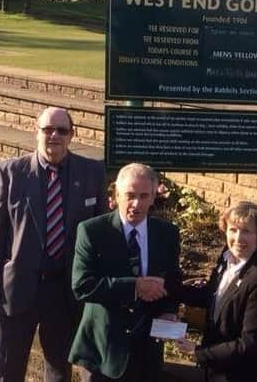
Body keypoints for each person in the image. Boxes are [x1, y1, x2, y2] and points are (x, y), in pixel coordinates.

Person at [0, 106, 108, 382]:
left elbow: (100, 233)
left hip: (64, 291)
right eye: (48, 129)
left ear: (72, 135)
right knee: (5, 370)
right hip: (17, 289)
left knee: (59, 369)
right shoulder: (10, 172)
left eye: (62, 130)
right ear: (36, 132)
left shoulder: (92, 172)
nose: (54, 136)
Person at [69, 162, 182, 382]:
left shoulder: (167, 233)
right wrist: (135, 286)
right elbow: (82, 286)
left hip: (146, 350)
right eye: (130, 195)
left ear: (153, 197)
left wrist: (169, 310)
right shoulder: (92, 231)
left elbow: (172, 279)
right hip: (103, 350)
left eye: (144, 196)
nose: (136, 204)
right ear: (117, 194)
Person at [176, 201, 257, 382]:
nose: (238, 238)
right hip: (220, 367)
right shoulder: (227, 256)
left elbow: (250, 344)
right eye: (233, 229)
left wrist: (199, 352)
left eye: (246, 231)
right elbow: (213, 296)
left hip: (244, 373)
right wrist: (170, 290)